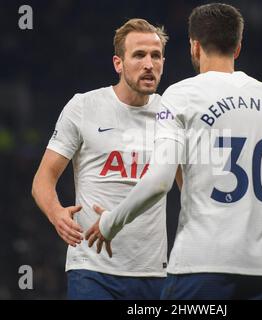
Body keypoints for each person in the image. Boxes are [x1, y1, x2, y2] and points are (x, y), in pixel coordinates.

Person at [86, 3, 262, 300]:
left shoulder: (181, 95)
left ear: (194, 46)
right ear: (238, 46)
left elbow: (159, 182)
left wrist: (110, 222)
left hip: (201, 266)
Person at [32, 18, 170, 299]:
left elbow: (186, 186)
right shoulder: (84, 106)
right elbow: (43, 178)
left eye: (156, 56)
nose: (149, 64)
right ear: (118, 63)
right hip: (91, 270)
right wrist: (56, 212)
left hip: (153, 273)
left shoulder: (172, 113)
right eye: (139, 55)